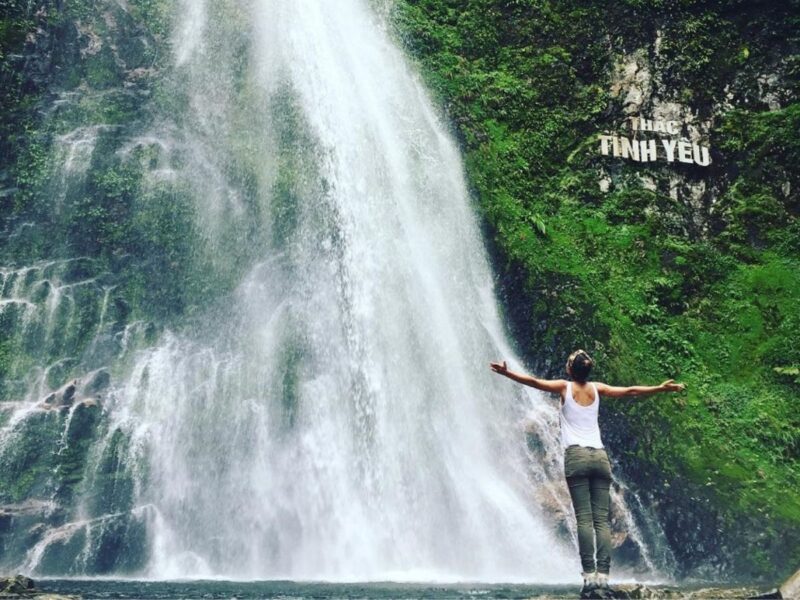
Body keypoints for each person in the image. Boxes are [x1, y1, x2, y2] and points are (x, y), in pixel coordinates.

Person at [489, 349, 685, 595]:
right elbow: (631, 391)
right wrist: (660, 388)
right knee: (601, 519)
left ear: (570, 369)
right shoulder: (597, 388)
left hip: (577, 457)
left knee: (583, 519)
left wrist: (508, 374)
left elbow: (534, 382)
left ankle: (589, 576)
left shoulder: (564, 387)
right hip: (600, 458)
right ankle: (603, 575)